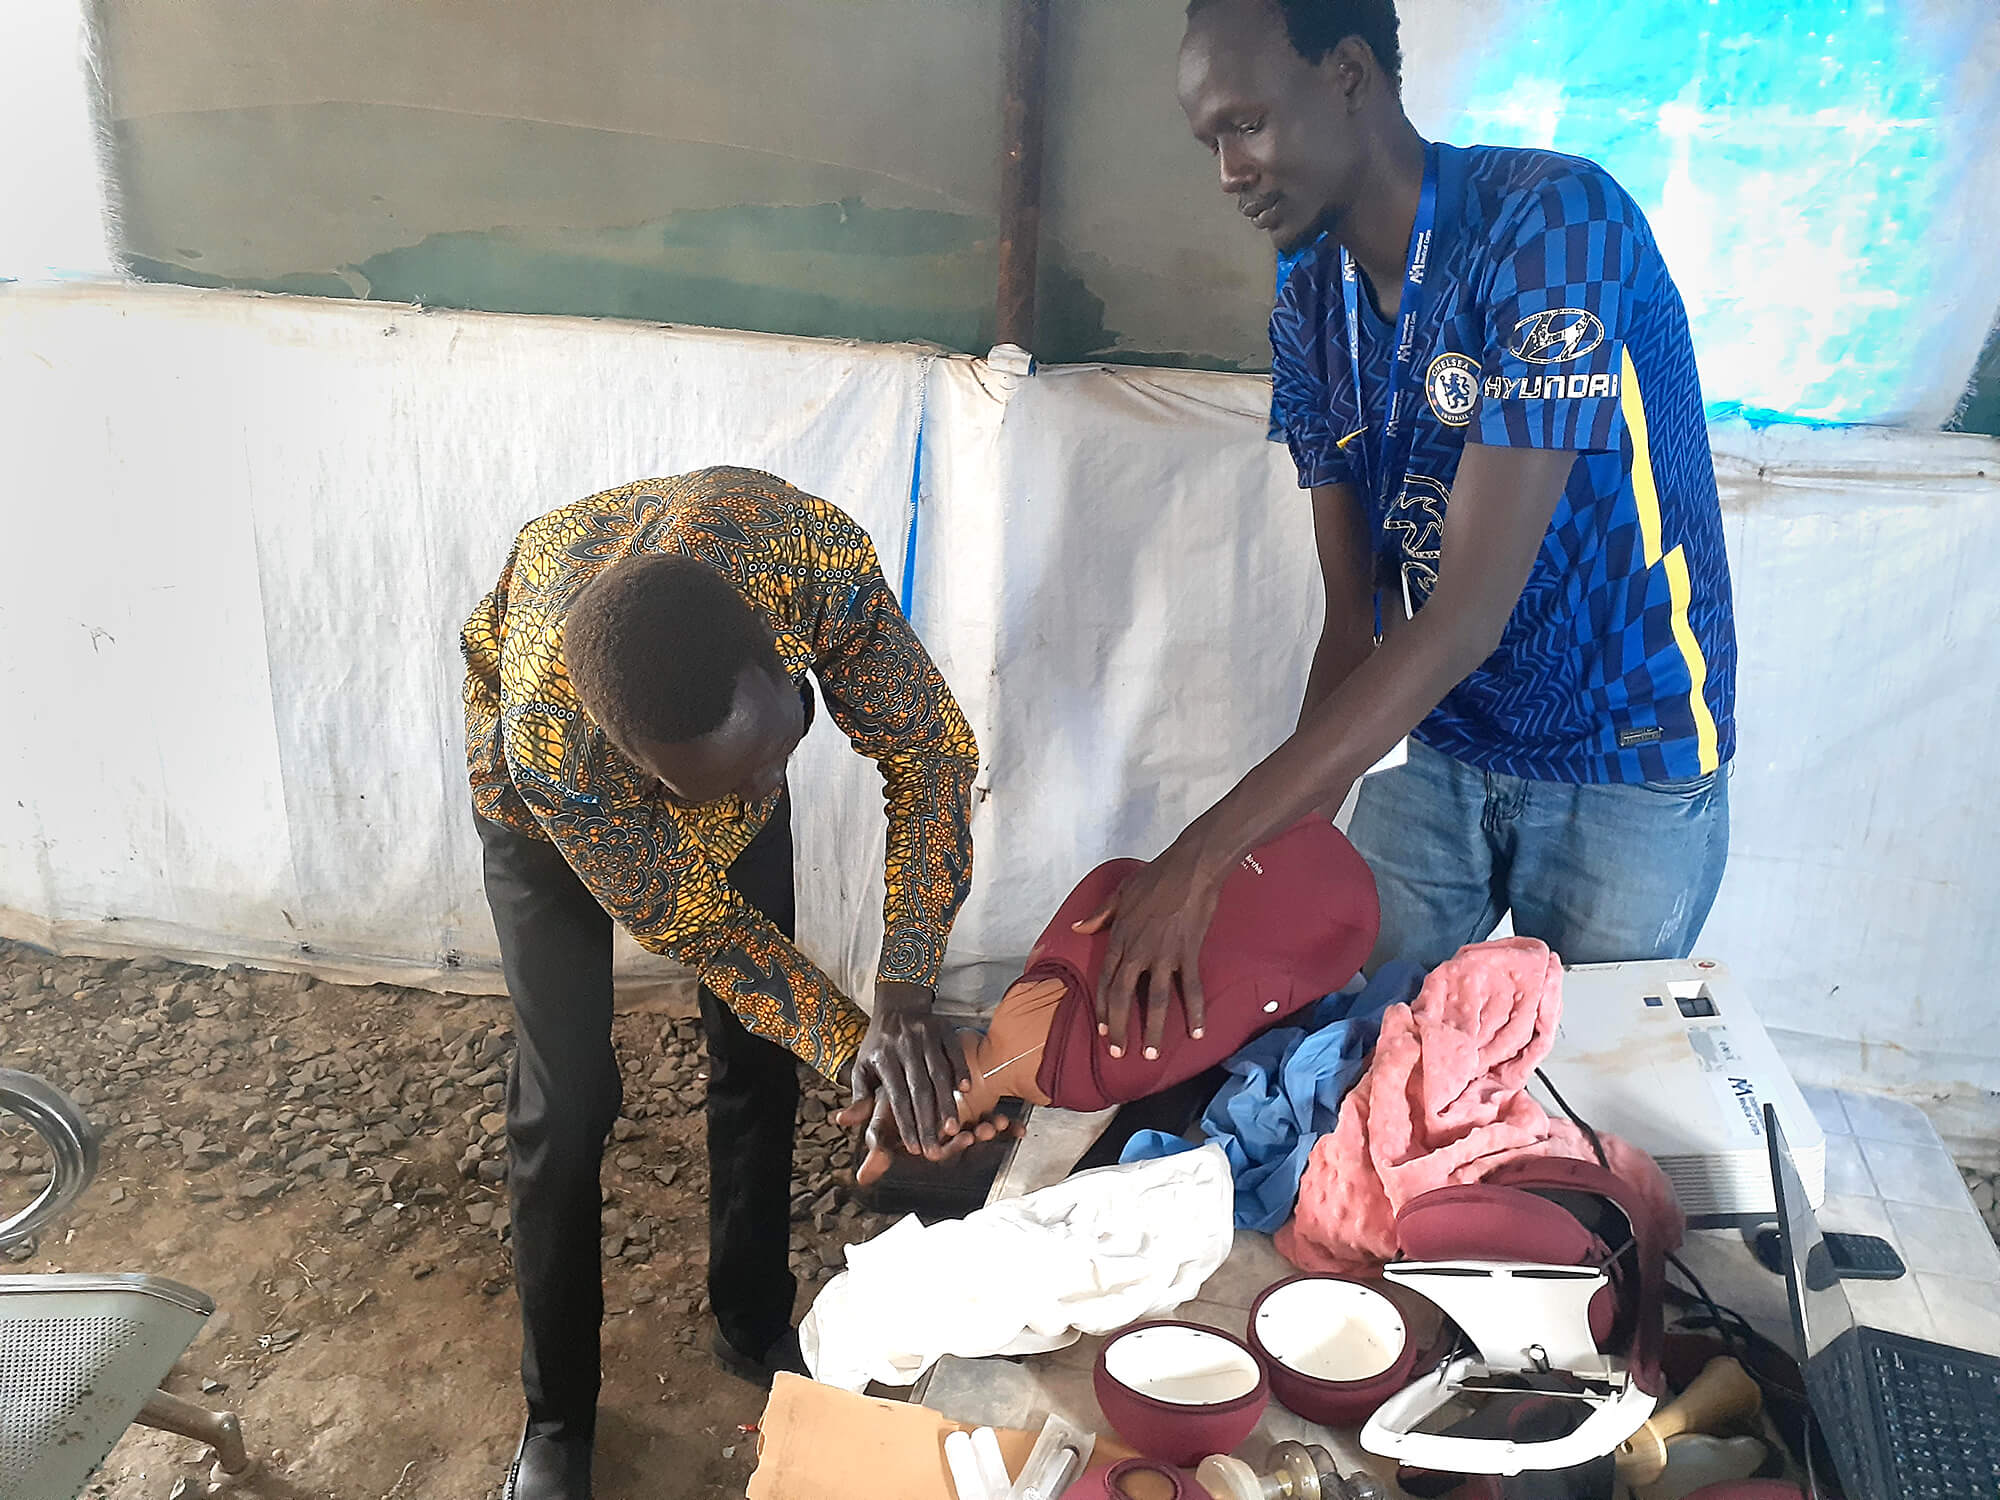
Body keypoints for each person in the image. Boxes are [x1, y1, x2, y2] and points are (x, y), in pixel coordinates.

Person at [1083, 0, 1737, 1058]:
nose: (1225, 173)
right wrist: (1254, 877)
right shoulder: (1307, 296)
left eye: (1243, 125)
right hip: (1436, 745)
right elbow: (1355, 623)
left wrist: (1200, 860)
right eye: (1208, 143)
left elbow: (1463, 615)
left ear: (1346, 74)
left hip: (1626, 752)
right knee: (1355, 1064)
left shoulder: (1553, 227)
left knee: (1576, 1097)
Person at [460, 466, 987, 1500]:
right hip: (541, 820)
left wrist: (903, 995)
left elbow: (928, 753)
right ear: (638, 765)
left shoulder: (810, 559)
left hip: (713, 725)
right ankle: (558, 1415)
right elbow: (709, 932)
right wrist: (855, 1046)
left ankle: (750, 1319)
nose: (763, 796)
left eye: (777, 755)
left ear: (777, 657)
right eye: (719, 787)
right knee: (565, 1103)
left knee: (754, 1055)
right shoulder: (553, 748)